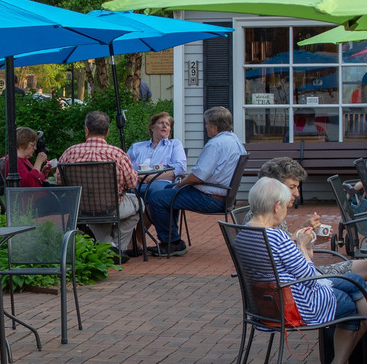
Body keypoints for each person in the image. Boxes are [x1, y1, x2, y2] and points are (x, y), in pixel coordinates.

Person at [234, 178, 367, 364]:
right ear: (277, 206)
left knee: (354, 281)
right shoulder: (277, 237)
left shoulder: (243, 235)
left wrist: (301, 245)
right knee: (353, 304)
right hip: (296, 307)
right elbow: (310, 279)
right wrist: (303, 245)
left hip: (265, 306)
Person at [254, 157, 367, 285]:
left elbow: (284, 251)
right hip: (303, 283)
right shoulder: (265, 219)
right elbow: (282, 264)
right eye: (292, 187)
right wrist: (302, 240)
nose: (297, 193)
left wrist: (308, 236)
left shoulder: (262, 214)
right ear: (272, 186)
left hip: (302, 278)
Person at [145, 106, 246, 257]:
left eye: (207, 124)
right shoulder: (236, 141)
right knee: (167, 193)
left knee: (156, 198)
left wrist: (181, 183)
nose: (205, 127)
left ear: (215, 126)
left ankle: (171, 243)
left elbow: (199, 176)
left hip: (210, 198)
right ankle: (173, 240)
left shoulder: (215, 144)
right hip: (223, 194)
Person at [57, 110, 140, 263]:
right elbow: (132, 183)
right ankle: (117, 247)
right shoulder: (118, 154)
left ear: (86, 130)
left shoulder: (70, 153)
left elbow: (60, 181)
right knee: (138, 204)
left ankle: (108, 246)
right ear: (107, 131)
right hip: (112, 206)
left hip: (81, 207)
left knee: (94, 211)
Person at [126, 112, 187, 183]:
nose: (164, 126)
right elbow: (124, 166)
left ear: (170, 130)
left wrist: (149, 178)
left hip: (161, 184)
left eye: (167, 124)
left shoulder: (174, 145)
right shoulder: (136, 147)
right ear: (152, 128)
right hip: (134, 184)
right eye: (161, 123)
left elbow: (180, 168)